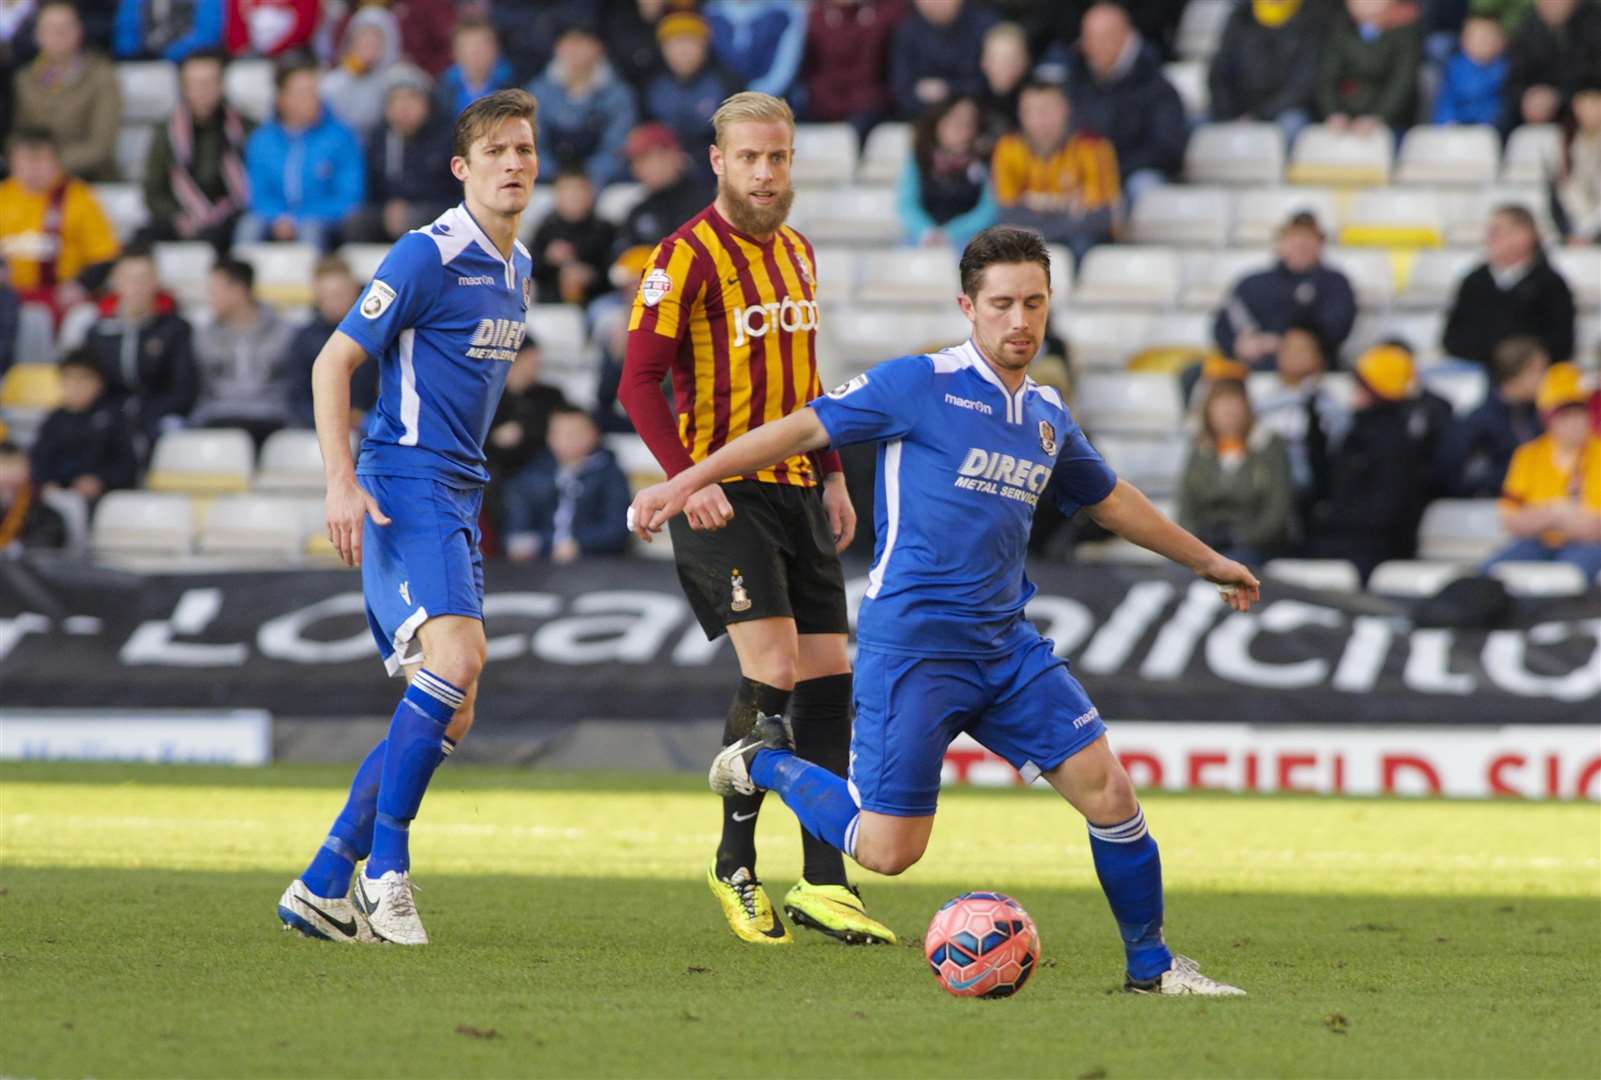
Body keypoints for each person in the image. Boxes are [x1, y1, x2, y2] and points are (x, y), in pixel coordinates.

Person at [628, 225, 1259, 996]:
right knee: (889, 853)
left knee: (1111, 794)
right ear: (968, 307)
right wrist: (685, 480)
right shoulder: (917, 385)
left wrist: (1207, 560)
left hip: (1005, 647)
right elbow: (797, 429)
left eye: (1032, 302)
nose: (1018, 320)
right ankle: (759, 762)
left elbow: (1110, 502)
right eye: (1001, 304)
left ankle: (1152, 970)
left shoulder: (1047, 415)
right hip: (914, 650)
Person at [618, 91, 893, 949]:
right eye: (749, 158)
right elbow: (637, 383)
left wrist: (834, 476)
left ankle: (823, 879)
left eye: (778, 158)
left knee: (826, 677)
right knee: (773, 666)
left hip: (801, 488)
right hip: (721, 494)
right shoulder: (682, 257)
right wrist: (684, 479)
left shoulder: (800, 254)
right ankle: (734, 862)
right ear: (718, 162)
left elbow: (805, 388)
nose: (766, 173)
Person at [278, 89, 539, 947]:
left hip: (460, 492)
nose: (513, 164)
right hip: (403, 478)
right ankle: (387, 870)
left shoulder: (519, 267)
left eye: (525, 150)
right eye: (496, 151)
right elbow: (333, 360)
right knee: (455, 659)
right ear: (462, 168)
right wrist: (339, 480)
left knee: (454, 706)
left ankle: (324, 881)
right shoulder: (425, 255)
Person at [1303, 344, 1433, 578]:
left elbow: (1385, 511)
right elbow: (1330, 484)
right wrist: (1316, 439)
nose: (1354, 390)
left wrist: (1333, 518)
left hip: (1376, 547)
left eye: (1360, 384)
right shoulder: (1357, 431)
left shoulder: (1396, 440)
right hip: (1345, 539)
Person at [236, 54, 366, 252]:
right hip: (274, 218)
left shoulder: (340, 137)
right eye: (302, 93)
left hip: (324, 221)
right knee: (249, 225)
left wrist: (300, 217)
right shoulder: (261, 140)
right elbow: (256, 193)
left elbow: (350, 196)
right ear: (282, 98)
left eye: (314, 92)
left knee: (310, 229)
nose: (311, 99)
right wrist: (279, 217)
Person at [1064, 2, 1188, 205]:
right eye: (1088, 38)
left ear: (1123, 37)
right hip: (1084, 175)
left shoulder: (1155, 85)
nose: (1090, 46)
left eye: (1100, 38)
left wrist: (1112, 168)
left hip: (1131, 174)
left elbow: (1168, 149)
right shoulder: (1075, 80)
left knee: (1145, 185)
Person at [1488, 362, 1601, 577]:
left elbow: (1595, 528)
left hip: (1588, 547)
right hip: (1536, 543)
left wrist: (1541, 515)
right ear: (1548, 418)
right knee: (1490, 572)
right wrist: (1558, 512)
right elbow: (1511, 520)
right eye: (1564, 415)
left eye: (1579, 413)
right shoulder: (1528, 454)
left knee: (1567, 575)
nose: (1574, 422)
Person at [80, 247, 199, 449]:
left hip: (160, 414)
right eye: (129, 278)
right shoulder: (98, 331)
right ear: (115, 282)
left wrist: (145, 412)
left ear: (155, 281)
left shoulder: (175, 329)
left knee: (172, 434)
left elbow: (183, 387)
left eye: (144, 278)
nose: (137, 286)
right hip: (112, 414)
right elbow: (93, 384)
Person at [0, 129, 121, 321]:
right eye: (25, 162)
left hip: (61, 297)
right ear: (12, 164)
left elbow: (105, 255)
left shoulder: (79, 198)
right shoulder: (3, 196)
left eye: (39, 162)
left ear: (57, 163)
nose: (32, 170)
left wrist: (81, 285)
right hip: (8, 296)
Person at [991, 81, 1118, 262]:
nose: (1040, 120)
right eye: (1031, 112)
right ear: (1021, 114)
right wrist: (1064, 209)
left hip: (1079, 242)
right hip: (1028, 239)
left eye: (1047, 111)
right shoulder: (1008, 149)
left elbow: (1100, 217)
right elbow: (1007, 213)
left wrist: (1037, 211)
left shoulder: (1092, 147)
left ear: (1065, 109)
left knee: (1081, 244)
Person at [138, 48, 251, 252]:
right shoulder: (168, 131)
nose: (203, 90)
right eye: (195, 83)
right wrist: (177, 217)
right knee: (140, 238)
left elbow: (254, 183)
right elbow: (154, 189)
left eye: (209, 82)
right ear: (183, 87)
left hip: (231, 218)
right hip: (182, 215)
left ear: (221, 84)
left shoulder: (244, 128)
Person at [1213, 211, 1358, 369]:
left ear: (1320, 244)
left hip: (1310, 370)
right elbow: (1226, 324)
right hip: (1253, 366)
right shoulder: (1253, 283)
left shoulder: (1333, 283)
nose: (1300, 245)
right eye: (1294, 238)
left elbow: (1335, 329)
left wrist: (1284, 343)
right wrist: (1238, 344)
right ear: (1280, 243)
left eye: (1308, 238)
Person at [1442, 204, 1576, 368]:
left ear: (1525, 235)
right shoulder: (1475, 281)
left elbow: (1561, 343)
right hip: (1477, 371)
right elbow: (1452, 337)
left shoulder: (1551, 285)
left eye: (1497, 232)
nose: (1489, 239)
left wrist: (1517, 360)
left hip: (1531, 379)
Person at [1178, 379, 1294, 568]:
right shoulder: (1200, 450)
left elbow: (1277, 510)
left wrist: (1244, 537)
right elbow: (1185, 508)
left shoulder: (1270, 447)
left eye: (1234, 405)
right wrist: (1195, 541)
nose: (1228, 413)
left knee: (1229, 568)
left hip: (1254, 545)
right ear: (1208, 411)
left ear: (1247, 409)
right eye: (1221, 406)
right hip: (1205, 543)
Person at [1252, 322, 1351, 536]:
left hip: (1307, 492)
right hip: (1261, 487)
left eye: (1301, 349)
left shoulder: (1329, 408)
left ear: (1318, 358)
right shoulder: (1259, 406)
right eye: (1287, 348)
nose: (1292, 354)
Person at [499, 404, 630, 562]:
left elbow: (617, 529)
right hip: (539, 567)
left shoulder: (610, 474)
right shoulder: (532, 475)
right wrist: (548, 545)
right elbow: (517, 534)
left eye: (576, 433)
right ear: (549, 436)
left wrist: (578, 544)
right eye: (560, 433)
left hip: (596, 564)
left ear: (594, 434)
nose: (568, 439)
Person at [9, 0, 121, 182]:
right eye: (51, 28)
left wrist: (50, 165)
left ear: (79, 31)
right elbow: (15, 134)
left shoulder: (102, 76)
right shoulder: (23, 79)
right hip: (30, 178)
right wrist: (28, 163)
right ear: (38, 35)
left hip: (89, 178)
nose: (58, 34)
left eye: (65, 27)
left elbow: (101, 145)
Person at [346, 63, 458, 244]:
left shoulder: (448, 138)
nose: (403, 107)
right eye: (395, 100)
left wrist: (413, 211)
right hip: (388, 213)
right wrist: (388, 210)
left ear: (427, 102)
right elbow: (368, 191)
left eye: (411, 98)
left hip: (434, 214)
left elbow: (459, 196)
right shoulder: (379, 139)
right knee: (356, 221)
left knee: (420, 219)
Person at [190, 257, 295, 441]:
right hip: (219, 416)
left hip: (270, 418)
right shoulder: (203, 336)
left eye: (215, 291)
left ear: (238, 290)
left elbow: (291, 384)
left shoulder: (283, 332)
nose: (210, 298)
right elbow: (201, 388)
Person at [526, 21, 637, 188]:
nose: (575, 52)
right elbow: (530, 144)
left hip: (601, 184)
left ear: (598, 48)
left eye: (582, 44)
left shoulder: (617, 94)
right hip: (548, 182)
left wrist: (585, 181)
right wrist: (557, 178)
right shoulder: (538, 92)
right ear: (557, 48)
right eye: (569, 44)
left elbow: (616, 149)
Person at [1206, 0, 1328, 145]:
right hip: (1237, 109)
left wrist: (1259, 116)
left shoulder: (1311, 18)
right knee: (1200, 128)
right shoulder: (1241, 16)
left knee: (1291, 124)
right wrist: (1228, 114)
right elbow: (1219, 73)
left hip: (1282, 110)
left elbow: (1303, 84)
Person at [642, 11, 742, 184]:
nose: (682, 50)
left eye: (689, 42)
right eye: (674, 43)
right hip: (661, 170)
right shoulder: (650, 85)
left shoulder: (727, 83)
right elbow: (645, 132)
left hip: (713, 171)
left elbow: (737, 137)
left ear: (704, 46)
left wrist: (694, 160)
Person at [1441, 335, 1547, 497]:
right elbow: (1455, 474)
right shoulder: (1477, 422)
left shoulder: (1543, 416)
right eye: (1537, 371)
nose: (1544, 378)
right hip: (1489, 508)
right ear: (1515, 376)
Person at [29, 349, 139, 501]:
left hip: (103, 498)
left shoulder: (114, 418)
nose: (76, 386)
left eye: (83, 379)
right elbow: (39, 460)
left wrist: (101, 481)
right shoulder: (54, 419)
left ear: (99, 383)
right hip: (60, 496)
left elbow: (127, 465)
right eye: (69, 378)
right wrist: (49, 482)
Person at [286, 256, 376, 430]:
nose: (334, 302)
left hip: (372, 426)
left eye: (340, 294)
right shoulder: (304, 339)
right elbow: (297, 396)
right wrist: (329, 421)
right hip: (319, 427)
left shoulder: (377, 336)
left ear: (355, 291)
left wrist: (364, 419)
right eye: (327, 296)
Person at [899, 95, 997, 251]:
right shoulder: (920, 158)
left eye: (968, 121)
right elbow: (906, 203)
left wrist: (950, 233)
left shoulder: (984, 160)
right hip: (923, 237)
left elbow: (988, 209)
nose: (959, 126)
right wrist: (926, 231)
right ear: (938, 121)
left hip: (970, 239)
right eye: (953, 118)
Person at [800, 0, 906, 141]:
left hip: (867, 105)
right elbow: (809, 71)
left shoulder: (885, 15)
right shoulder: (813, 18)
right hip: (823, 103)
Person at [1317, 0, 1423, 136]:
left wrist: (1379, 116)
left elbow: (1402, 82)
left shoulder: (1405, 33)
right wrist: (1332, 113)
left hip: (1393, 120)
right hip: (1346, 112)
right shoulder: (1340, 30)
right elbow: (1327, 77)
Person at [888, 0, 998, 120]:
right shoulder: (906, 30)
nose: (936, 3)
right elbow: (901, 88)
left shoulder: (985, 25)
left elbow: (990, 81)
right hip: (922, 117)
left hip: (979, 114)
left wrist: (948, 89)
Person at [617, 123, 716, 251]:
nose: (637, 169)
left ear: (672, 155)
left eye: (644, 159)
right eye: (634, 162)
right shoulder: (638, 212)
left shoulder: (707, 204)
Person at [1502, 0, 1601, 129]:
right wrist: (1526, 98)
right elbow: (1513, 80)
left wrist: (1561, 98)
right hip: (1535, 117)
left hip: (1582, 111)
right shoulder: (1527, 27)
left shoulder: (1595, 25)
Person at [529, 167, 616, 306]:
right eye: (567, 190)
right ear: (556, 195)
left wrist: (591, 276)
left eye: (579, 189)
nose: (574, 196)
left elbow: (616, 271)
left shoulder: (605, 229)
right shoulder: (546, 228)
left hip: (595, 302)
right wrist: (548, 259)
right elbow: (527, 268)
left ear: (591, 193)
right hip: (551, 303)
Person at [321, 5, 402, 141]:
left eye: (377, 36)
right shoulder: (332, 84)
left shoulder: (395, 83)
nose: (370, 41)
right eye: (364, 35)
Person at [706, 0, 807, 100]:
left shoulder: (784, 15)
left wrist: (751, 99)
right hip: (718, 98)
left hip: (767, 101)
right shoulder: (710, 13)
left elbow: (784, 68)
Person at [1432, 13, 1509, 125]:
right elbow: (1446, 102)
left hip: (1490, 129)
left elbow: (1502, 106)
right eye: (1480, 38)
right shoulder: (1454, 68)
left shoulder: (1505, 69)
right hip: (1456, 128)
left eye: (1491, 37)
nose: (1486, 43)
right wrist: (1447, 121)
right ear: (1464, 41)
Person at [436, 16, 514, 119]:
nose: (475, 53)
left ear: (496, 50)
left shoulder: (516, 86)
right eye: (466, 47)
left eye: (481, 46)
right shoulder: (442, 92)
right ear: (454, 53)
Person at [0, 439, 67, 552]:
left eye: (14, 465)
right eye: (4, 466)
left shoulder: (44, 515)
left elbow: (44, 548)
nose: (9, 474)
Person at [1556, 81, 1601, 245]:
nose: (1588, 110)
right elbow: (1563, 192)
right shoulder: (1567, 143)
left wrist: (1592, 233)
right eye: (1582, 103)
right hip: (1576, 230)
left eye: (1595, 103)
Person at [976, 21, 1030, 152]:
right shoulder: (972, 99)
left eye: (1013, 58)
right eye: (998, 59)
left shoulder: (1036, 100)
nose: (1005, 66)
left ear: (1025, 62)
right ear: (984, 62)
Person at [113, 0, 224, 60]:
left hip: (189, 61)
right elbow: (124, 39)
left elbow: (207, 36)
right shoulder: (133, 2)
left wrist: (169, 54)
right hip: (145, 62)